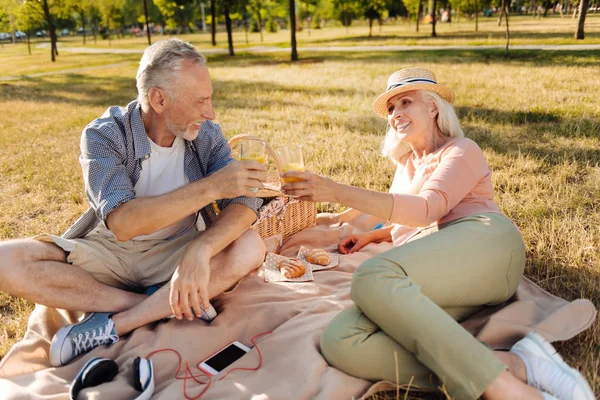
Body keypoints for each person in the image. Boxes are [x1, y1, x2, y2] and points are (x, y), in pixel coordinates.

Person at [281, 68, 595, 400]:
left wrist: (334, 190)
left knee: (373, 275)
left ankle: (509, 392)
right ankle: (517, 366)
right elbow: (407, 218)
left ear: (433, 107)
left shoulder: (461, 150)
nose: (396, 113)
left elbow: (426, 208)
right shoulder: (406, 165)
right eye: (390, 108)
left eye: (405, 102)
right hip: (449, 269)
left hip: (489, 245)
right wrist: (375, 236)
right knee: (341, 340)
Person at [0, 39, 268, 367]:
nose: (209, 112)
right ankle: (157, 304)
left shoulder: (207, 134)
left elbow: (244, 204)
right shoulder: (104, 135)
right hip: (109, 253)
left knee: (251, 245)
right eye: (200, 101)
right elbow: (123, 224)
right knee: (5, 259)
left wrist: (200, 250)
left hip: (175, 252)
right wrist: (211, 187)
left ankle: (117, 323)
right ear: (159, 99)